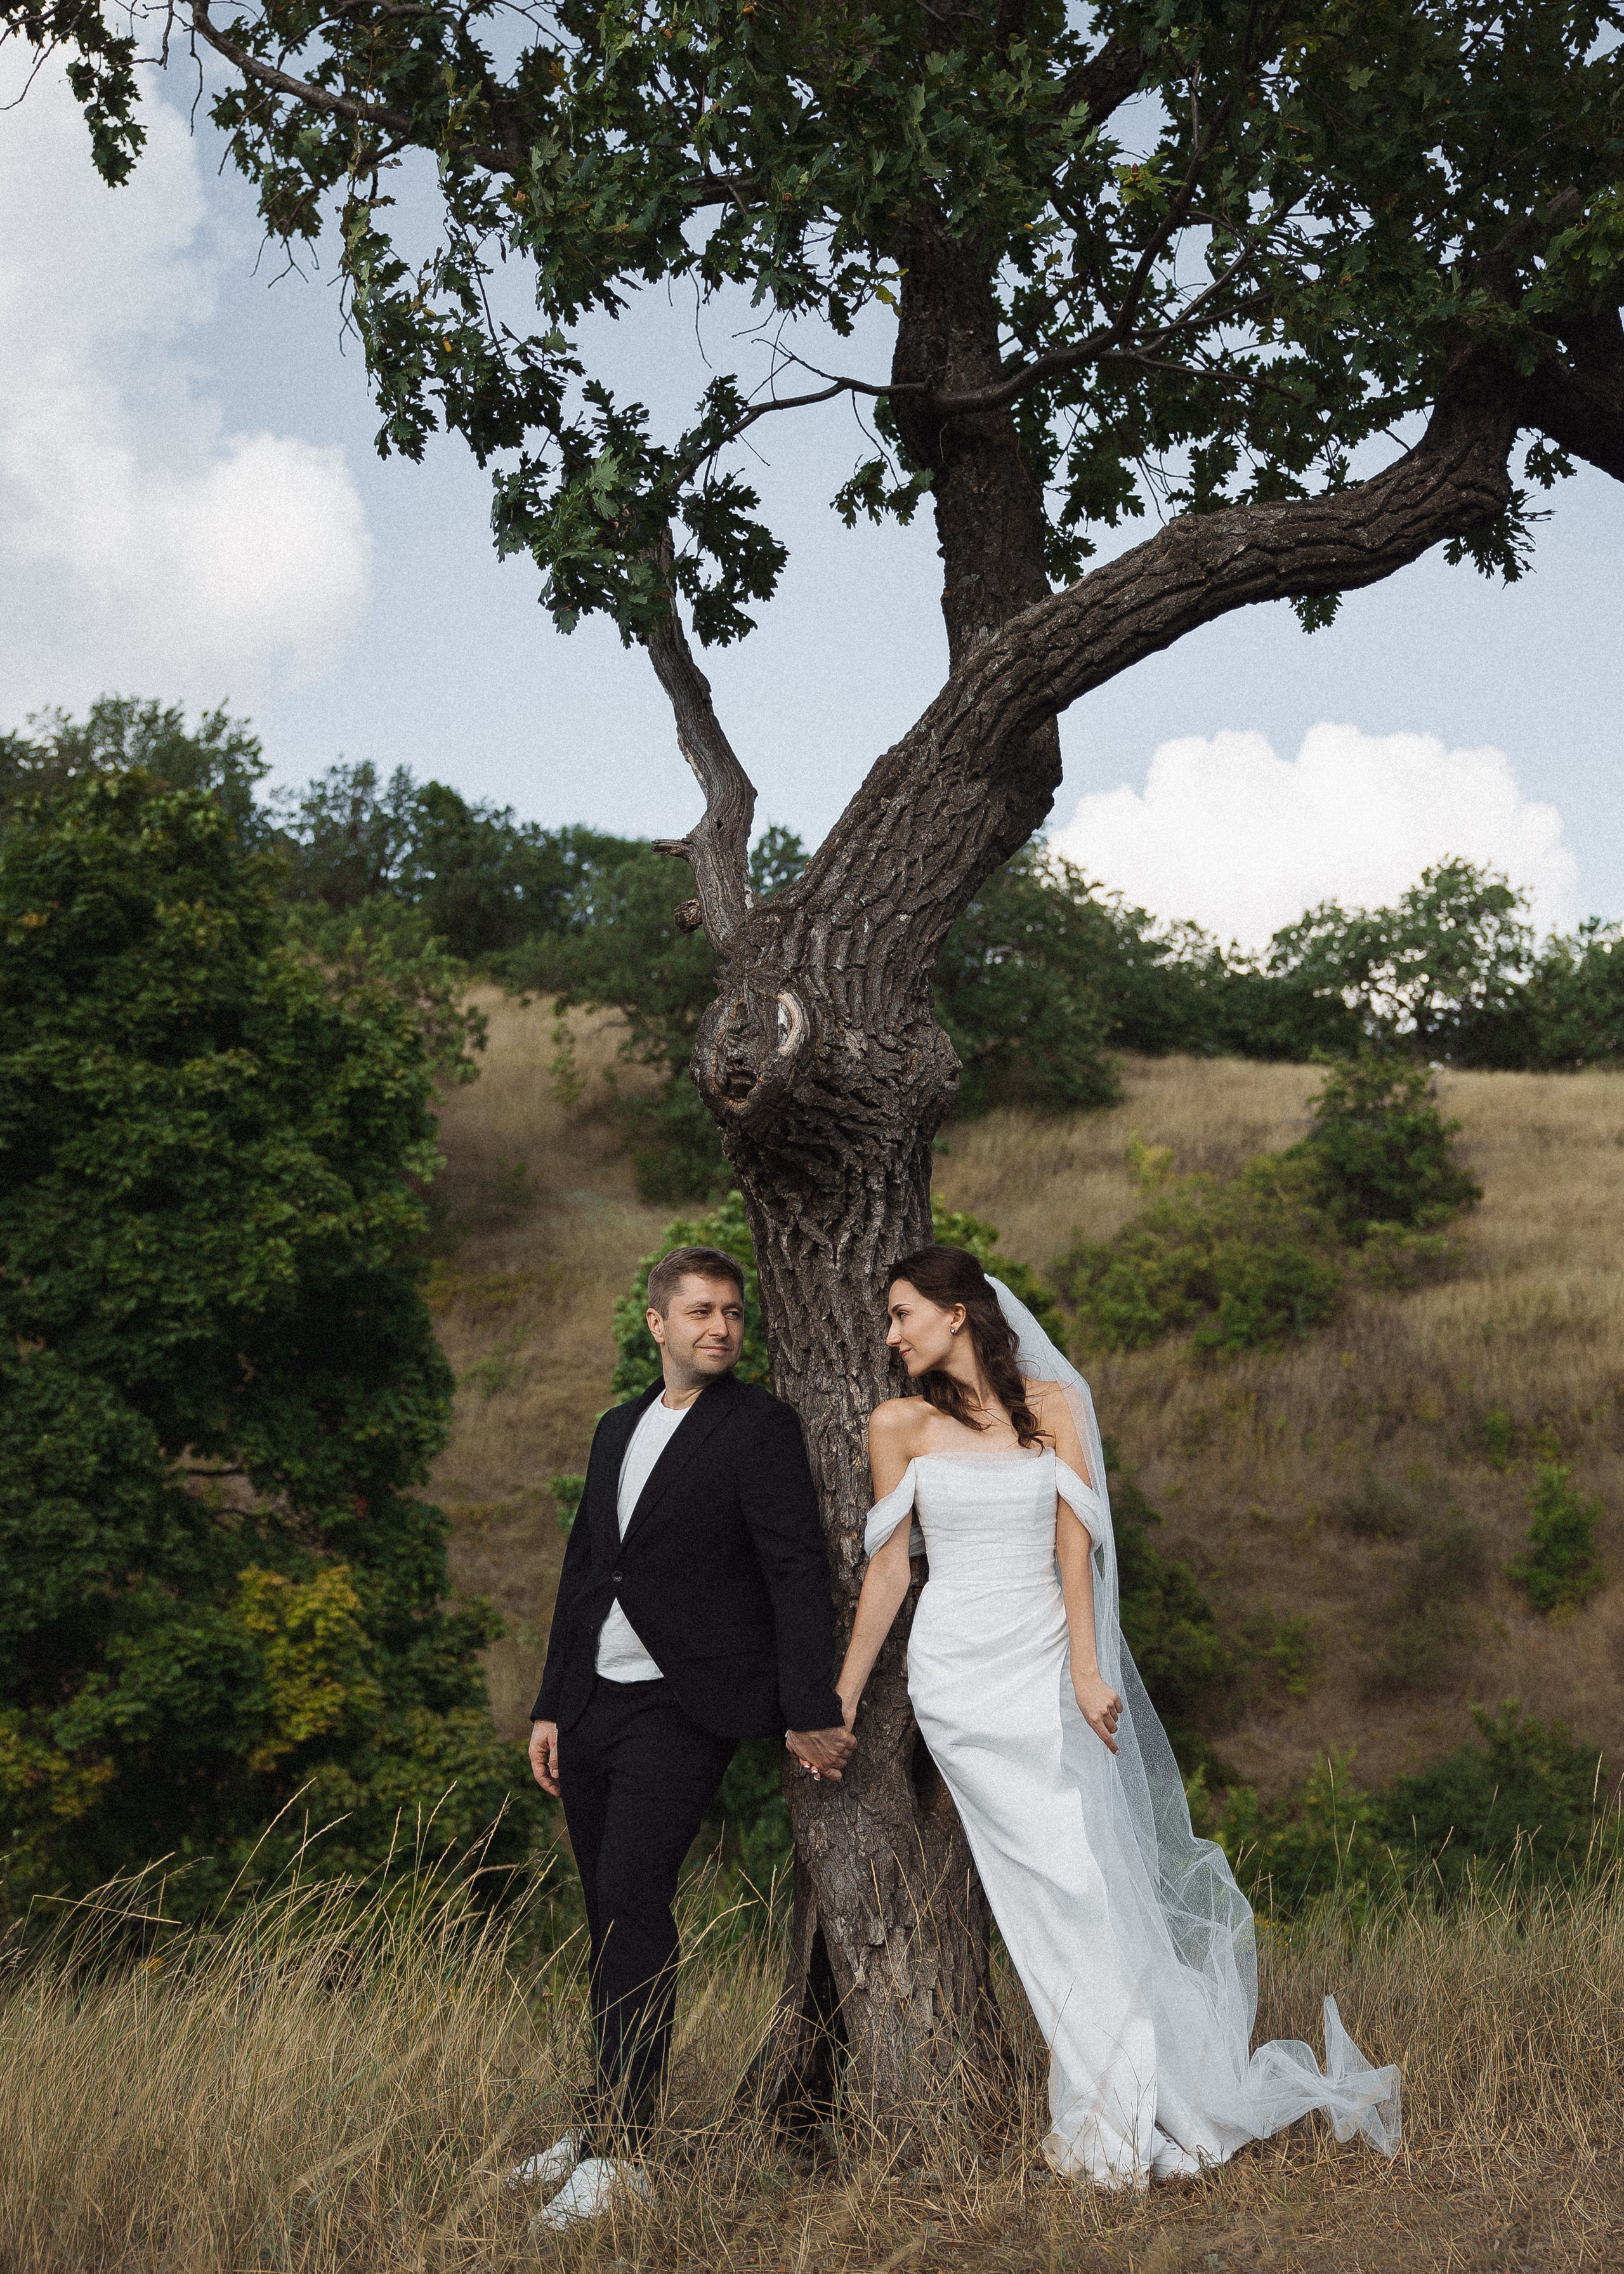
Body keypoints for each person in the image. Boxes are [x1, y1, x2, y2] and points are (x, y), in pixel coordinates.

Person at [808, 1242, 1401, 2189]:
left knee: (1086, 1887)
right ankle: (1113, 2110)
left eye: (903, 1313)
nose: (890, 1333)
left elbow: (1074, 1552)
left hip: (1043, 1665)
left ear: (958, 1313)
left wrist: (1088, 1670)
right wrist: (836, 1697)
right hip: (957, 1680)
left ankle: (1129, 2106)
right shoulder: (898, 1423)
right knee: (1040, 1898)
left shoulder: (1057, 1409)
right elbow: (890, 1571)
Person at [518, 1244, 853, 2228]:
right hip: (592, 1705)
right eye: (701, 1312)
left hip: (685, 1703)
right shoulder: (617, 1426)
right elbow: (586, 1566)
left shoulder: (758, 1427)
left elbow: (796, 1569)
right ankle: (596, 2125)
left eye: (733, 1314)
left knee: (634, 1899)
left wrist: (811, 1708)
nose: (721, 1328)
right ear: (657, 1324)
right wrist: (550, 1702)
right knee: (605, 1912)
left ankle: (625, 2155)